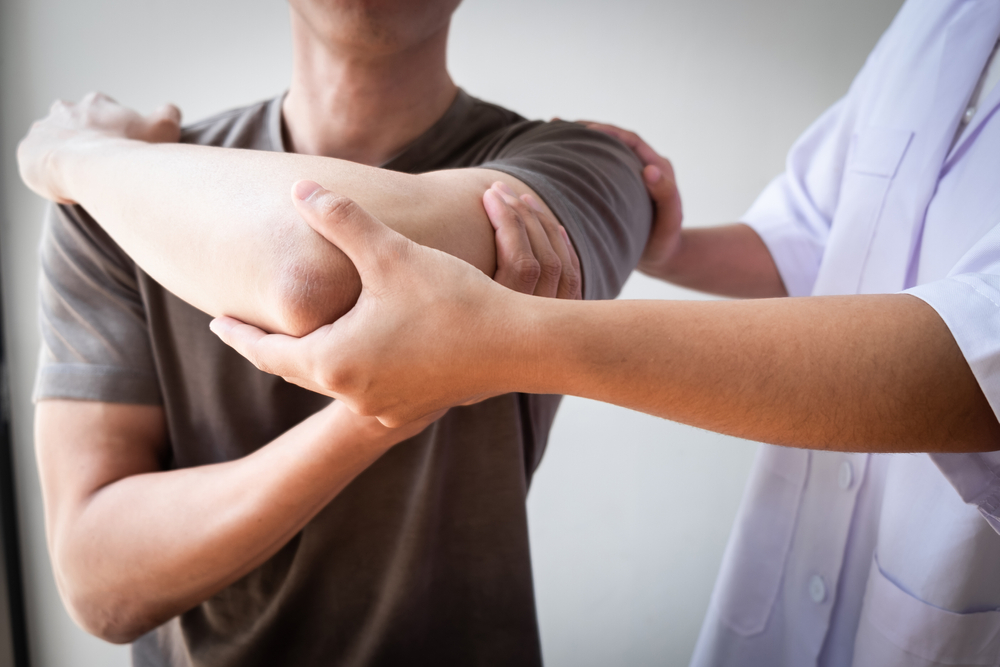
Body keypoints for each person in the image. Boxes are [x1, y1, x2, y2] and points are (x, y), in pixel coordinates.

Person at [203, 0, 1000, 664]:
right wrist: (679, 250)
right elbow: (830, 237)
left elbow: (968, 365)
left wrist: (514, 338)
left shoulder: (556, 158)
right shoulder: (940, 16)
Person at [15, 1, 651, 665]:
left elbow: (309, 272)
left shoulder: (582, 166)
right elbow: (99, 580)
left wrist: (76, 156)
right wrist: (376, 411)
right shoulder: (112, 207)